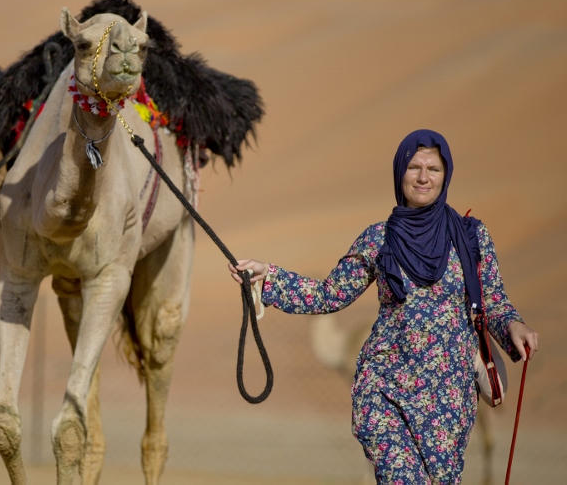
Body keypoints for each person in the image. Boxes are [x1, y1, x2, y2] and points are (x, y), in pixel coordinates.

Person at [229, 129, 538, 484]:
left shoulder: (471, 237)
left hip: (449, 399)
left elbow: (493, 300)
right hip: (385, 389)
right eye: (414, 167)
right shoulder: (378, 239)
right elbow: (330, 294)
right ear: (399, 172)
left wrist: (514, 326)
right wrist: (267, 277)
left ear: (446, 174)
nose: (423, 177)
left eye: (433, 169)